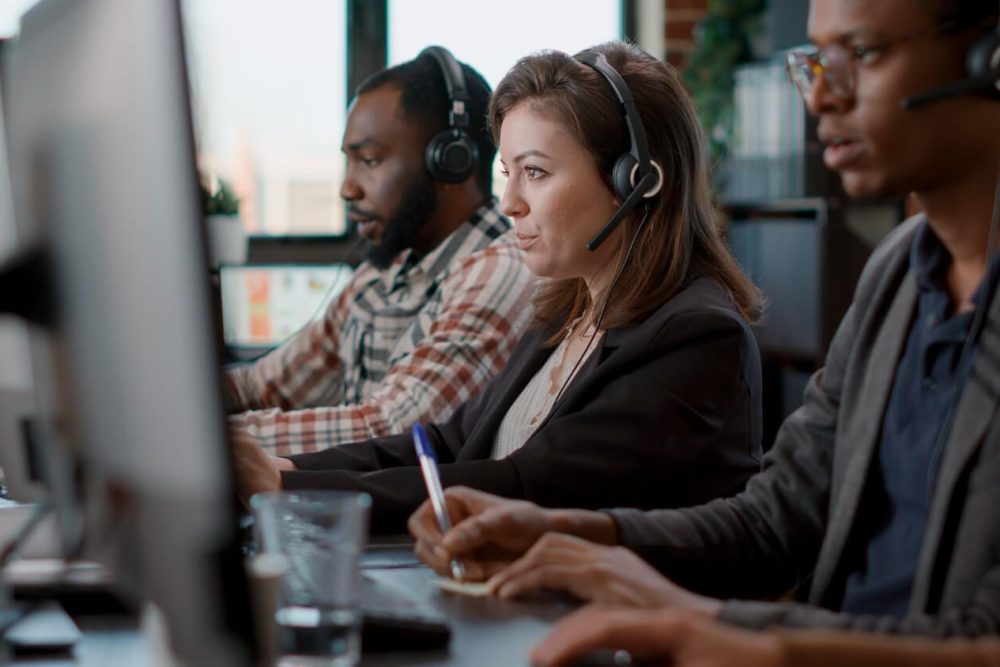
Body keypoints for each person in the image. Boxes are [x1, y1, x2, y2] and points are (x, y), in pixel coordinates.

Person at [410, 0, 1000, 638]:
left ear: (988, 57)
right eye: (816, 63)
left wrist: (724, 633)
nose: (823, 97)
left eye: (862, 53)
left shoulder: (696, 328)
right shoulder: (897, 277)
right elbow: (772, 521)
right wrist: (570, 532)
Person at [231, 41, 764, 533]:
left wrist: (293, 490)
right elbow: (445, 442)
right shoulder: (565, 314)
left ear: (636, 180)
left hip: (630, 629)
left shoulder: (695, 335)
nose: (510, 202)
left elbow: (527, 484)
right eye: (507, 172)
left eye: (534, 172)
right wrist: (288, 466)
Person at [224, 47, 536, 456]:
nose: (346, 188)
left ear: (450, 163)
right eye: (349, 162)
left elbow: (391, 428)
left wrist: (216, 441)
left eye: (369, 160)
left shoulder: (499, 272)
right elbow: (261, 385)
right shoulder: (383, 272)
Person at [531, 607, 1000, 667]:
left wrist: (718, 620)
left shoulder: (702, 330)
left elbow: (982, 633)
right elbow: (777, 511)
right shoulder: (878, 325)